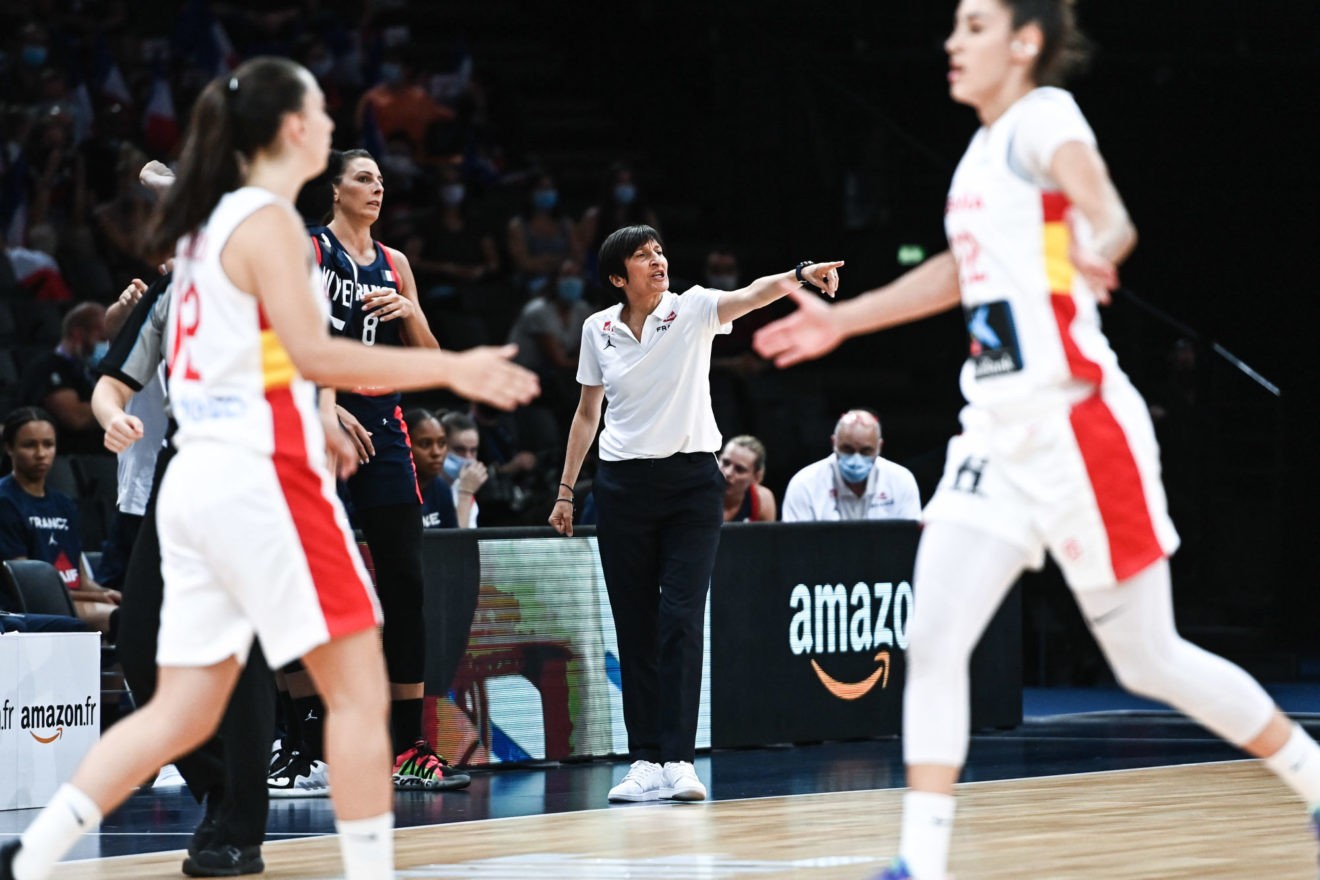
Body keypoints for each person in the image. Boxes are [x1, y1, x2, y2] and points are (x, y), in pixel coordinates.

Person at [751, 3, 1320, 877]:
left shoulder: (1043, 118)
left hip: (1076, 425)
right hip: (994, 432)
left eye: (973, 26)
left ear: (1024, 43)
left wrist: (1105, 241)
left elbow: (1101, 203)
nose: (951, 41)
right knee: (934, 637)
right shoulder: (978, 156)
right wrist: (846, 323)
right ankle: (920, 861)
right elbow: (958, 267)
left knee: (1149, 657)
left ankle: (1310, 774)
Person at [0, 56, 537, 880]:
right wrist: (453, 370)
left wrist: (336, 398)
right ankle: (298, 831)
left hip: (225, 474)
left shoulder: (239, 241)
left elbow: (298, 352)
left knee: (211, 677)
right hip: (222, 475)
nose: (331, 130)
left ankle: (113, 844)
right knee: (238, 668)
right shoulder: (227, 253)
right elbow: (265, 356)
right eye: (318, 116)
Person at [550, 223, 842, 804]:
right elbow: (587, 414)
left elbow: (754, 293)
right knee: (632, 626)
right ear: (617, 277)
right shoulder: (597, 329)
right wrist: (564, 491)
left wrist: (800, 275)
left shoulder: (694, 309)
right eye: (642, 256)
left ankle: (679, 759)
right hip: (622, 486)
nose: (657, 261)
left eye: (659, 250)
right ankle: (644, 761)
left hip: (690, 484)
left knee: (680, 618)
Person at [305, 146, 470, 793]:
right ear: (335, 189)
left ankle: (409, 747)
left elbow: (431, 367)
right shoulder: (311, 250)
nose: (377, 188)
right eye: (364, 178)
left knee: (404, 582)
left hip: (384, 426)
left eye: (380, 179)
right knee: (318, 583)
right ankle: (311, 741)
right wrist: (326, 407)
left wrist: (413, 315)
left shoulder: (395, 263)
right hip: (321, 425)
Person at [0, 406, 120, 635]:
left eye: (48, 444)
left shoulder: (64, 503)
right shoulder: (5, 501)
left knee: (140, 611)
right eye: (29, 445)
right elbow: (29, 585)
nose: (40, 453)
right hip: (33, 605)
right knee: (122, 619)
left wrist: (107, 592)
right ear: (9, 448)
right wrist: (98, 596)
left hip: (74, 598)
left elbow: (81, 578)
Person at [781, 410, 921, 523]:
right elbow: (796, 549)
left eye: (866, 451)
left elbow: (907, 543)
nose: (856, 459)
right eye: (847, 449)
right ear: (834, 443)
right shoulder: (804, 485)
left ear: (879, 446)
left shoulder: (901, 481)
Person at [19, 302, 108, 454]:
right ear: (78, 334)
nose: (105, 345)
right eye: (101, 338)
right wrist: (117, 406)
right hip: (60, 459)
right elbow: (76, 417)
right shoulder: (48, 366)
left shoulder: (93, 371)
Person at [402, 408, 484, 530]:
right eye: (425, 444)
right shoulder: (390, 492)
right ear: (405, 446)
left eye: (441, 444)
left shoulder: (441, 489)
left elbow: (456, 544)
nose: (436, 452)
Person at [438, 410, 487, 528]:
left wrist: (466, 492)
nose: (468, 457)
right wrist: (466, 493)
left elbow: (464, 543)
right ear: (441, 446)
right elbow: (455, 542)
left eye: (473, 450)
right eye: (459, 450)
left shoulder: (465, 486)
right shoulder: (423, 487)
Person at [718, 435, 776, 523]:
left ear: (756, 477)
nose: (728, 473)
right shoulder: (696, 491)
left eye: (739, 469)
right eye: (725, 463)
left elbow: (767, 536)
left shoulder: (762, 501)